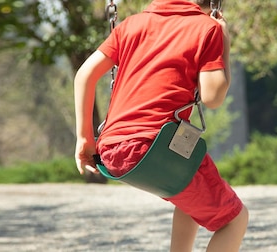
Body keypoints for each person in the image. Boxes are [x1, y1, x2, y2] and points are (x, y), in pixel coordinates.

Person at [73, 0, 249, 251]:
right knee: (235, 220)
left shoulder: (131, 25)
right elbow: (213, 97)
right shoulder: (206, 28)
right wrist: (225, 44)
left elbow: (84, 75)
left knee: (189, 200)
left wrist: (84, 138)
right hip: (156, 149)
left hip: (112, 150)